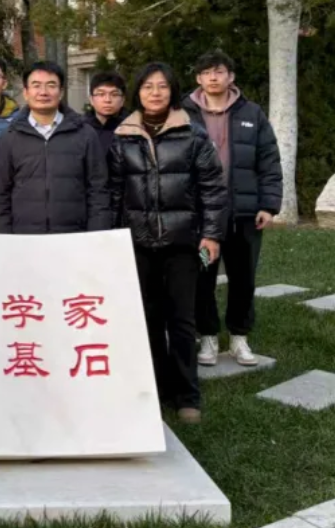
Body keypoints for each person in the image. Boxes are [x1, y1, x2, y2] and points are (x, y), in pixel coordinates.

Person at [108, 62, 226, 425]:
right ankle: (157, 389)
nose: (155, 93)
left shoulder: (193, 134)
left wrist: (211, 234)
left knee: (182, 320)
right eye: (147, 87)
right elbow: (114, 193)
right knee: (147, 318)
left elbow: (213, 189)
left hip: (182, 243)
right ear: (138, 93)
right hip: (138, 242)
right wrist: (112, 239)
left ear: (173, 92)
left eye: (162, 86)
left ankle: (187, 395)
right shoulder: (123, 136)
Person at [182, 50, 282, 367]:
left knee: (243, 278)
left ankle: (240, 337)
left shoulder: (251, 113)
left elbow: (269, 160)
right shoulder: (182, 113)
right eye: (206, 72)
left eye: (219, 71)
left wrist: (268, 204)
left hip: (244, 215)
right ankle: (208, 337)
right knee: (202, 278)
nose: (213, 77)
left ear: (231, 77)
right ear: (198, 78)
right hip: (201, 218)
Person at [0, 61, 112, 234]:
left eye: (51, 85)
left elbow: (98, 190)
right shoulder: (10, 136)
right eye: (36, 85)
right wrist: (3, 236)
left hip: (74, 235)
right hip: (25, 236)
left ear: (61, 92)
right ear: (26, 92)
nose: (43, 92)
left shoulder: (85, 134)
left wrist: (97, 233)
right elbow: (0, 194)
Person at [86, 70, 128, 159]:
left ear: (123, 100)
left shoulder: (133, 128)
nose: (107, 100)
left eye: (114, 94)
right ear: (91, 100)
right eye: (101, 94)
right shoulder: (80, 129)